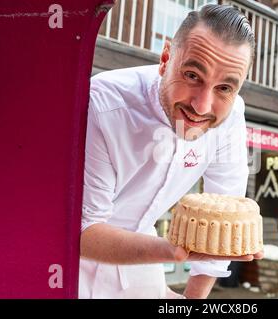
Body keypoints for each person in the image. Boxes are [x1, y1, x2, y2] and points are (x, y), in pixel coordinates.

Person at [79, 4, 263, 299]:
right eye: (192, 75)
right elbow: (84, 231)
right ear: (166, 58)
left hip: (145, 262)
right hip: (76, 263)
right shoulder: (104, 105)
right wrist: (175, 251)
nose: (202, 106)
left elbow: (226, 210)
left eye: (225, 88)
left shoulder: (231, 117)